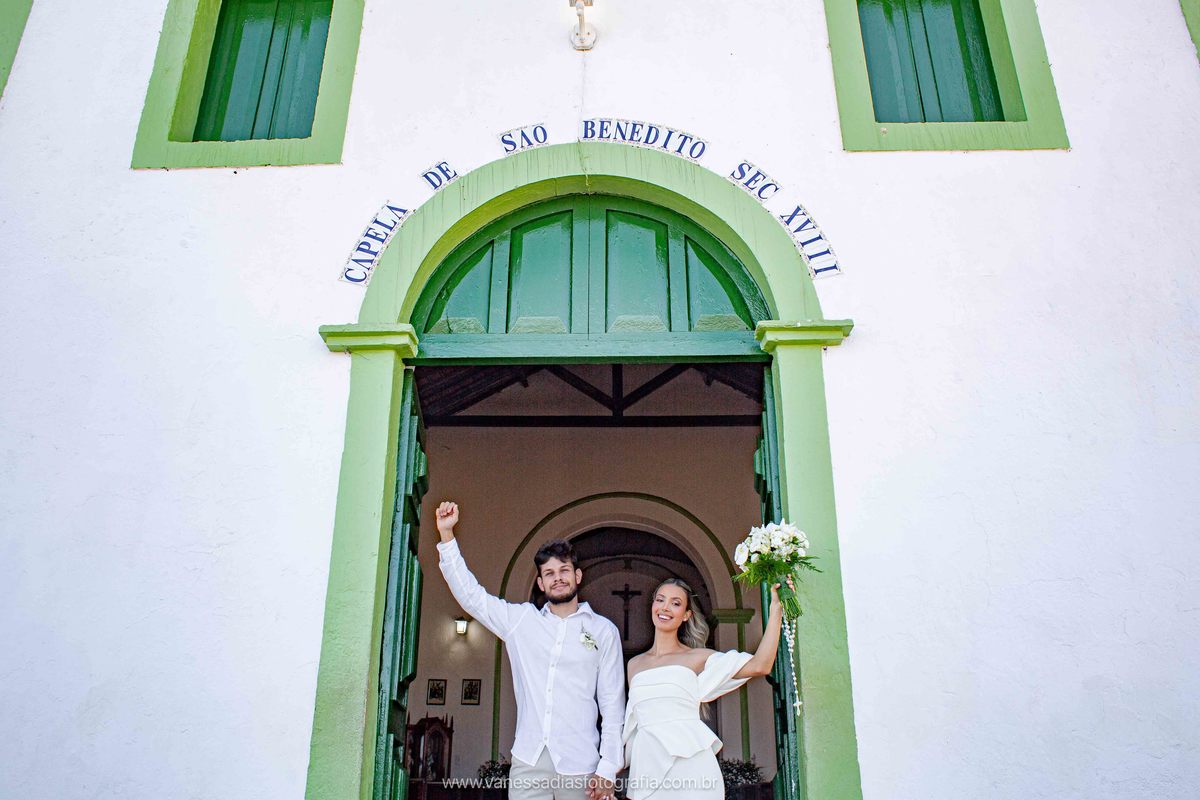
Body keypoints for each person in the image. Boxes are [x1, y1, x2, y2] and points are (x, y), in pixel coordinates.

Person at [434, 501, 624, 800]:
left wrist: (609, 766)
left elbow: (613, 705)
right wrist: (447, 537)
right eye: (549, 573)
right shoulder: (521, 621)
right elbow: (472, 597)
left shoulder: (604, 631)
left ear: (578, 576)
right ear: (540, 582)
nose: (557, 577)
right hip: (529, 760)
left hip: (581, 764)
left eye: (564, 570)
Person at [622, 576, 792, 799]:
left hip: (692, 766)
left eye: (675, 603)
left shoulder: (698, 657)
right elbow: (631, 725)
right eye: (660, 600)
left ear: (686, 615)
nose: (665, 607)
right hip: (647, 767)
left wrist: (776, 609)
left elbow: (760, 665)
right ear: (652, 605)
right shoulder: (634, 665)